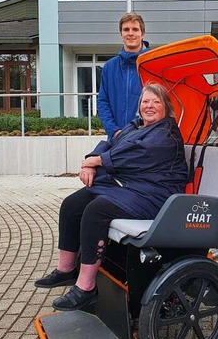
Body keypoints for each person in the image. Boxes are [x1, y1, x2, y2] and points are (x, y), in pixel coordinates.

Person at [35, 83, 188, 311]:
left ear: (166, 107)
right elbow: (110, 142)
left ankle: (86, 288)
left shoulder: (166, 135)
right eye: (145, 101)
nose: (149, 106)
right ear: (139, 106)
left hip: (155, 194)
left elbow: (134, 155)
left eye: (156, 102)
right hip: (131, 188)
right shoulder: (134, 126)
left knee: (97, 211)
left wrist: (96, 162)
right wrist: (92, 159)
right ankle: (66, 270)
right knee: (72, 204)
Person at [97, 12, 150, 139]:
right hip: (116, 139)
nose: (130, 33)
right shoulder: (110, 67)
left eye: (135, 29)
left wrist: (148, 132)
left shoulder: (152, 65)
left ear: (142, 34)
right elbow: (103, 102)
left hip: (145, 139)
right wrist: (114, 131)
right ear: (121, 34)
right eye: (126, 29)